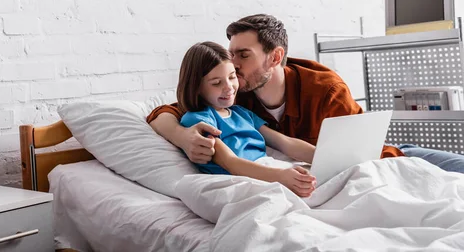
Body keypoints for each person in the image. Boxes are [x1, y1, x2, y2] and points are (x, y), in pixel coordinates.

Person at [147, 14, 464, 174]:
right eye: (231, 54)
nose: (232, 67)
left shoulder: (325, 90)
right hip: (299, 169)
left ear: (274, 57)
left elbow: (361, 153)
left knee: (443, 166)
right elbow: (167, 112)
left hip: (386, 152)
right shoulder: (234, 91)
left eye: (243, 55)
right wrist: (184, 138)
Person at [177, 41, 317, 197]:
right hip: (242, 179)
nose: (229, 87)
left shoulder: (241, 113)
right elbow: (231, 163)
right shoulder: (199, 120)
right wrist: (280, 176)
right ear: (196, 87)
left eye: (232, 77)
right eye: (217, 83)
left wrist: (322, 156)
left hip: (268, 167)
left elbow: (284, 142)